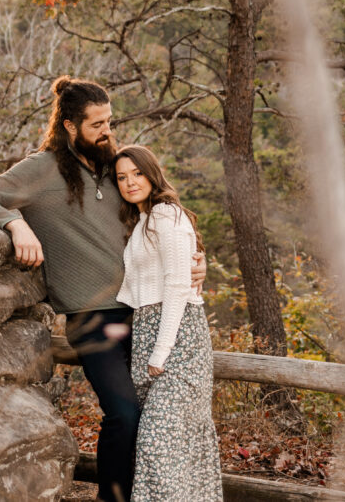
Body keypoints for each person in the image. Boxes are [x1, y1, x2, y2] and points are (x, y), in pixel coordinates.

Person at [0, 76, 205, 502]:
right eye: (97, 124)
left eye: (109, 120)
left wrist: (199, 263)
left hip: (142, 313)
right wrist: (16, 224)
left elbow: (163, 222)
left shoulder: (116, 168)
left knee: (154, 419)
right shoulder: (42, 169)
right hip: (91, 320)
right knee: (123, 414)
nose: (107, 130)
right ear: (70, 125)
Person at [113, 145, 222, 502]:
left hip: (178, 340)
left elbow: (177, 286)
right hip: (147, 332)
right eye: (122, 177)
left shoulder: (166, 215)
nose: (130, 183)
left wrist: (161, 350)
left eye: (137, 174)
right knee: (169, 450)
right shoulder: (142, 220)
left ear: (152, 173)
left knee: (157, 445)